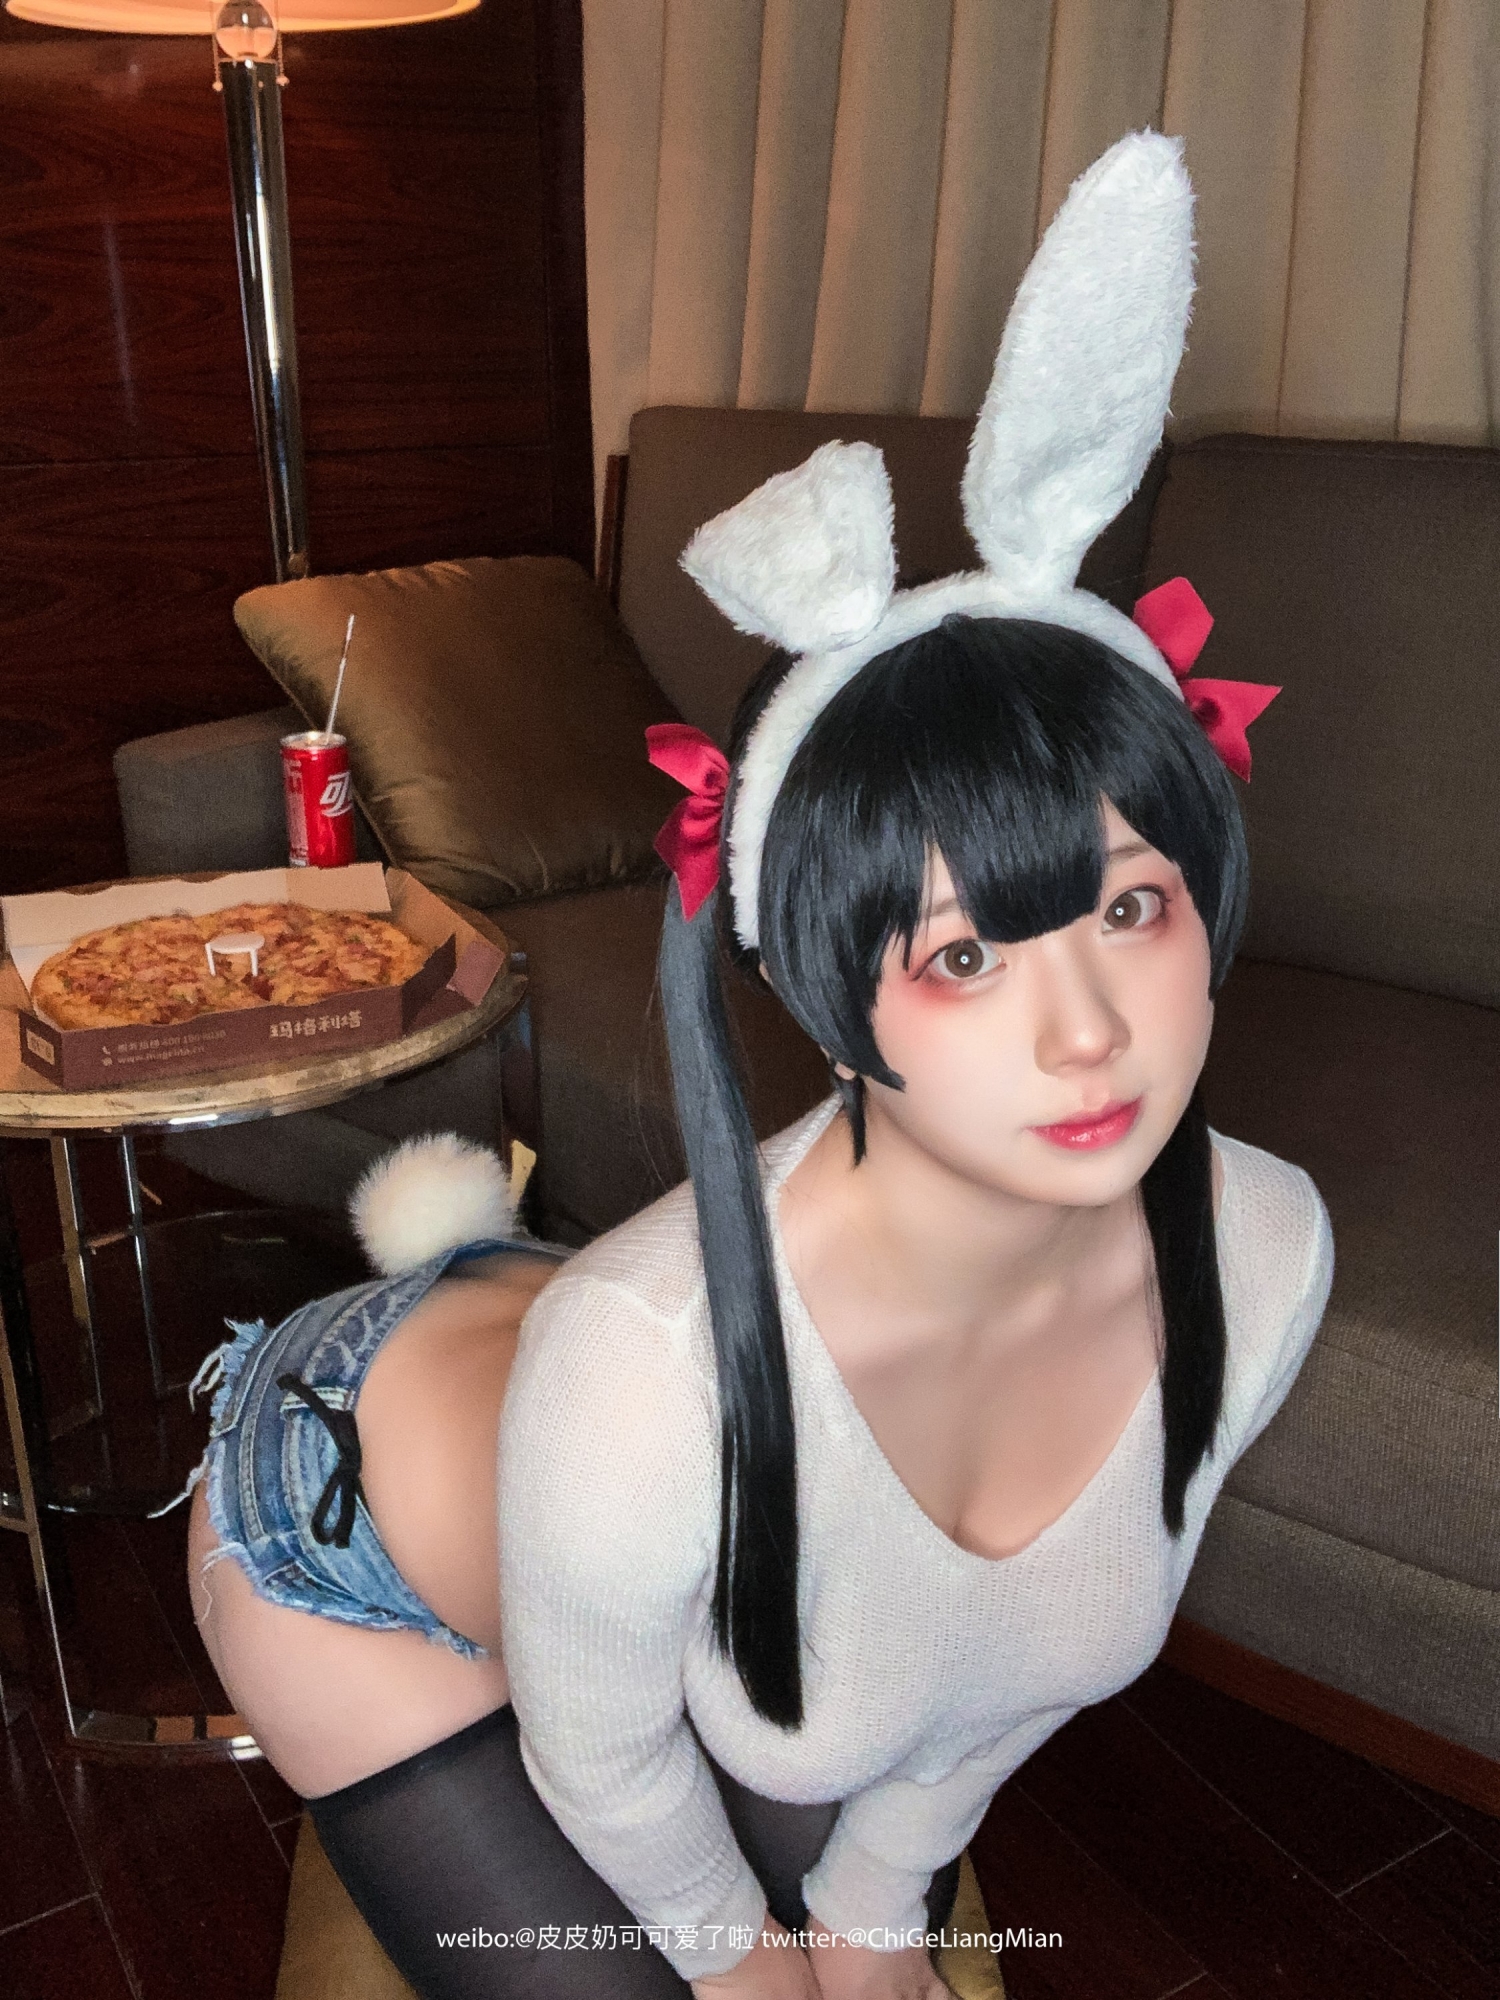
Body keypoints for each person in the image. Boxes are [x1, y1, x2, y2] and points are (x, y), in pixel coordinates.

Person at [184, 132, 1332, 2000]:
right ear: (818, 984)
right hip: (352, 1519)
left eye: (1132, 907)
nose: (1089, 1030)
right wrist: (742, 1964)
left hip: (588, 1441)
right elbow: (608, 1763)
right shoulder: (646, 1380)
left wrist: (876, 1909)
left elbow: (1027, 1665)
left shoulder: (1265, 1249)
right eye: (965, 954)